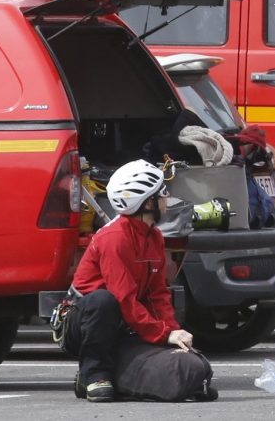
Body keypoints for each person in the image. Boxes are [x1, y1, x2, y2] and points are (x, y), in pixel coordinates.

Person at [61, 159, 203, 403]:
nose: (167, 198)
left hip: (120, 320)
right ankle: (93, 375)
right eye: (163, 193)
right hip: (86, 320)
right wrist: (162, 335)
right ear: (148, 203)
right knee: (103, 301)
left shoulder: (154, 236)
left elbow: (158, 293)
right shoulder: (114, 239)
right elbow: (123, 297)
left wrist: (172, 332)